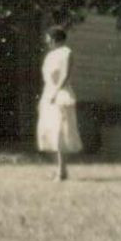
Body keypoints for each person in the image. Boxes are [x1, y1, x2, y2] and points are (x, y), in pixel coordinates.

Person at [37, 26, 82, 181]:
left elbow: (66, 75)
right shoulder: (50, 55)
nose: (46, 41)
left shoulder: (66, 53)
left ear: (55, 38)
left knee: (60, 133)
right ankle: (57, 169)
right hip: (49, 93)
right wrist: (48, 96)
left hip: (61, 95)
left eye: (48, 38)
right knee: (48, 132)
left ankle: (62, 171)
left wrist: (56, 93)